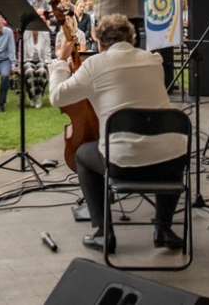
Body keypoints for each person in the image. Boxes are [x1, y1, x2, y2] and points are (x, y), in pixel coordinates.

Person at [50, 14, 188, 254]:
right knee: (163, 145)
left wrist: (62, 60)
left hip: (123, 164)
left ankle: (105, 233)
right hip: (172, 164)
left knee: (83, 154)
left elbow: (57, 97)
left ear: (99, 42)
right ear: (132, 38)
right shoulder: (154, 61)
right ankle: (164, 227)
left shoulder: (95, 65)